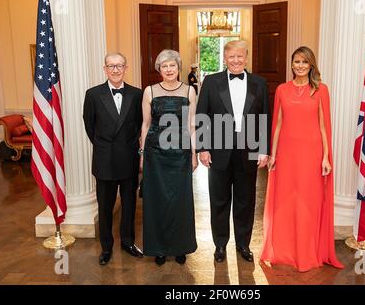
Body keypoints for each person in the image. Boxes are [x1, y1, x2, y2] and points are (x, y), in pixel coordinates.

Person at [260, 46, 344, 272]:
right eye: (296, 61)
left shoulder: (320, 90)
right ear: (291, 64)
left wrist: (326, 157)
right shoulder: (281, 90)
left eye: (304, 62)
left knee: (308, 202)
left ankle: (306, 252)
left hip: (311, 154)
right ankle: (286, 251)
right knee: (286, 201)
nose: (299, 66)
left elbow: (324, 126)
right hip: (286, 154)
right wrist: (273, 154)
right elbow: (277, 125)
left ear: (311, 65)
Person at [196, 40, 271, 263]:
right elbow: (203, 115)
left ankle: (243, 245)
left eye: (240, 56)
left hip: (249, 148)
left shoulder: (260, 83)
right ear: (225, 58)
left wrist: (264, 150)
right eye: (231, 57)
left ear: (246, 58)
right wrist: (203, 147)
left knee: (245, 200)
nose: (236, 61)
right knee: (219, 200)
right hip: (218, 149)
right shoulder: (210, 82)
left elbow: (265, 116)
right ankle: (220, 245)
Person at [83, 52, 143, 266]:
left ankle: (128, 242)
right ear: (105, 69)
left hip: (128, 158)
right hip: (104, 160)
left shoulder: (137, 94)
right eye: (111, 66)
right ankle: (106, 247)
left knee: (129, 205)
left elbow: (140, 124)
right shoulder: (93, 94)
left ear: (126, 68)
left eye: (119, 66)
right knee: (105, 207)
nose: (115, 70)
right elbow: (90, 126)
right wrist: (104, 146)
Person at [140, 49, 198, 266]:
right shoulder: (150, 92)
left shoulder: (189, 91)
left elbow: (192, 126)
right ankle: (159, 248)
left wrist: (193, 155)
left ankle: (180, 246)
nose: (169, 70)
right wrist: (142, 155)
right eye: (164, 66)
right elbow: (145, 125)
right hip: (155, 154)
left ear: (178, 67)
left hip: (181, 154)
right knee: (157, 202)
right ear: (159, 70)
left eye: (172, 65)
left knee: (181, 202)